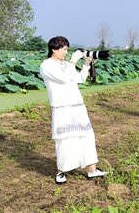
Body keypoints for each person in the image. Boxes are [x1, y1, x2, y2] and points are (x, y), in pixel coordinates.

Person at [39, 36, 107, 185]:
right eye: (63, 49)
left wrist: (87, 64)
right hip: (62, 108)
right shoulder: (46, 65)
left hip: (77, 105)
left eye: (67, 49)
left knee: (87, 136)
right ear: (53, 49)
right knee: (64, 140)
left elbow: (79, 79)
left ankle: (92, 170)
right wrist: (73, 61)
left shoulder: (64, 64)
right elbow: (63, 79)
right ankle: (61, 172)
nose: (66, 52)